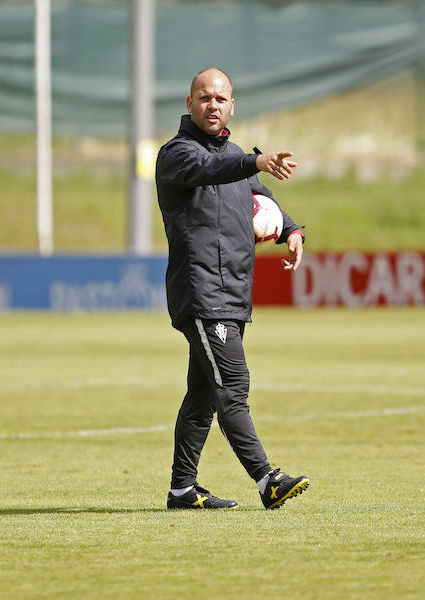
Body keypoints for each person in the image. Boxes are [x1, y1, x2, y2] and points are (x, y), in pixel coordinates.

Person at [155, 67, 310, 511]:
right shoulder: (177, 154)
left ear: (232, 105)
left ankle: (183, 489)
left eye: (220, 99)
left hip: (234, 292)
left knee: (203, 396)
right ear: (189, 104)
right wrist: (254, 161)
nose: (212, 105)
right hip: (201, 291)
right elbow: (213, 168)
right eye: (204, 98)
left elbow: (263, 199)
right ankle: (267, 480)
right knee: (233, 385)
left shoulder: (238, 157)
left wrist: (292, 230)